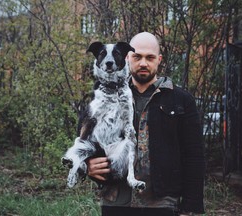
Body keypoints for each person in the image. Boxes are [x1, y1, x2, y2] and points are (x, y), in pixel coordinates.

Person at [86, 32, 205, 216]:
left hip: (162, 204)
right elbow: (87, 138)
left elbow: (194, 155)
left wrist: (191, 207)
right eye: (137, 56)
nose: (143, 63)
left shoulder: (181, 100)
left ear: (159, 59)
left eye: (149, 57)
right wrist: (88, 164)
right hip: (116, 202)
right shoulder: (106, 96)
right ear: (127, 58)